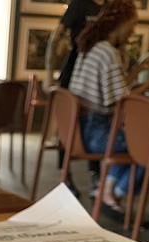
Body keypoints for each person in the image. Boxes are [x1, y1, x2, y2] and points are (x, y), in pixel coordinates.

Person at [68, 0, 149, 214]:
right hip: (97, 132)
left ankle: (108, 189)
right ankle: (116, 193)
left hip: (79, 129)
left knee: (133, 142)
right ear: (121, 23)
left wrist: (140, 69)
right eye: (133, 24)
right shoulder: (108, 53)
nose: (133, 31)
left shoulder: (93, 47)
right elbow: (119, 101)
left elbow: (115, 89)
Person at [44, 0, 107, 197]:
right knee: (68, 123)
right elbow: (56, 38)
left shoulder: (109, 6)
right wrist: (48, 73)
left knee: (96, 117)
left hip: (96, 67)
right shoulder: (79, 4)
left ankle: (95, 174)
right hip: (74, 66)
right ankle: (66, 175)